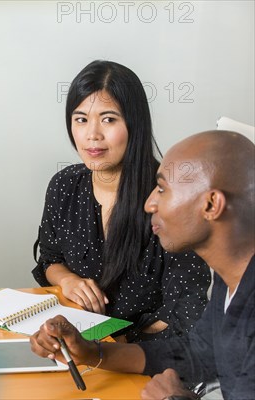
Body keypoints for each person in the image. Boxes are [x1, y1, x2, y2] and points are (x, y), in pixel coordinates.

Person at [31, 130, 255, 399]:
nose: (149, 204)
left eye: (161, 189)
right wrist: (92, 352)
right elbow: (199, 352)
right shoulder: (232, 279)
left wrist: (174, 398)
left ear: (211, 204)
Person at [32, 60, 211, 341]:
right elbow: (50, 260)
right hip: (79, 343)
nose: (92, 135)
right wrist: (68, 280)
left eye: (108, 119)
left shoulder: (171, 197)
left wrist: (113, 350)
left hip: (145, 358)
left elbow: (184, 310)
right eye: (81, 119)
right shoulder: (64, 185)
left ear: (134, 124)